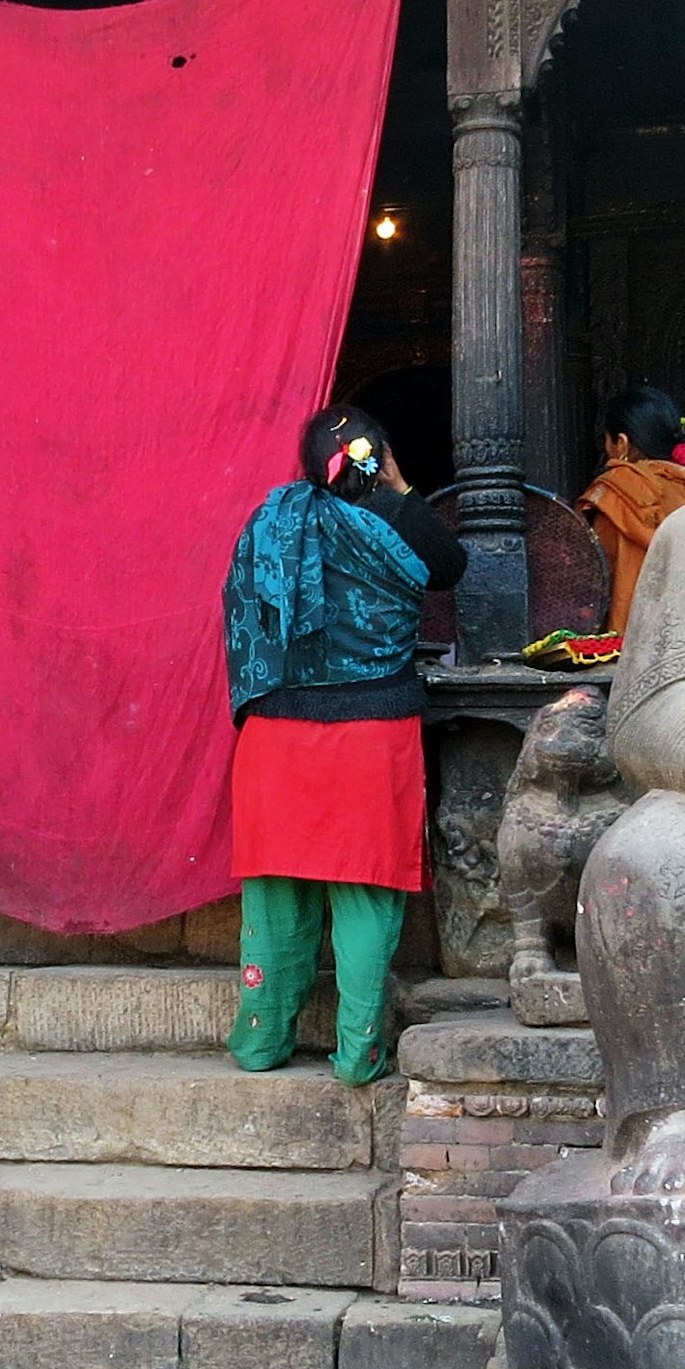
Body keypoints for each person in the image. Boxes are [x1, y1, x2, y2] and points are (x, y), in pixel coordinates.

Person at [221, 405, 466, 1085]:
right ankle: (358, 1055)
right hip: (371, 735)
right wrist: (402, 490)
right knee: (366, 894)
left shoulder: (269, 525)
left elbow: (242, 624)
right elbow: (451, 566)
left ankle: (260, 1043)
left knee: (275, 901)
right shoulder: (401, 520)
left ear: (308, 466)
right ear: (380, 456)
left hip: (276, 737)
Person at [577, 384, 685, 634]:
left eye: (607, 440)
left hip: (635, 645)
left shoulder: (613, 493)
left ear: (622, 443)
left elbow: (592, 585)